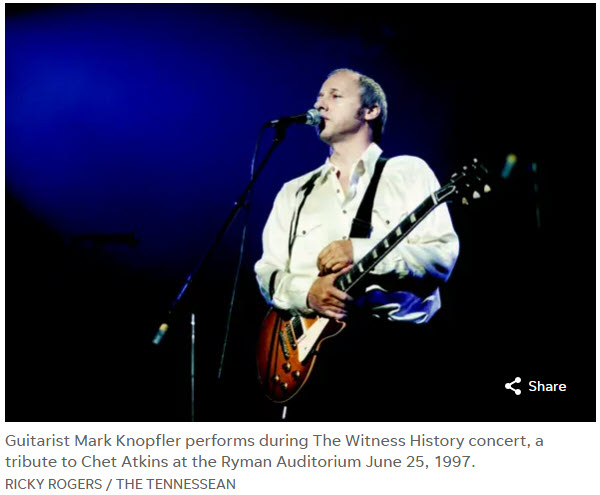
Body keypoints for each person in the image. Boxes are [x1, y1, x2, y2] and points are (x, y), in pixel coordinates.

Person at [254, 68, 459, 420]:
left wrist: (361, 251)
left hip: (391, 352)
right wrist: (308, 293)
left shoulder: (406, 171)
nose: (320, 103)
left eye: (334, 95)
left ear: (370, 111)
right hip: (308, 359)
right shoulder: (295, 192)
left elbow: (441, 258)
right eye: (319, 97)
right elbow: (268, 272)